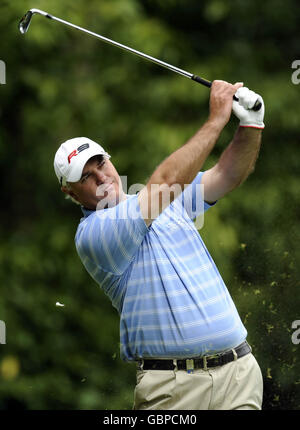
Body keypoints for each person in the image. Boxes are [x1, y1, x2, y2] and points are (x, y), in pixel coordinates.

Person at [54, 80, 265, 410]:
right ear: (70, 192)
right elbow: (165, 183)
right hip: (174, 389)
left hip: (238, 375)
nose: (102, 177)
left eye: (101, 164)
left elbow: (226, 174)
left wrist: (251, 124)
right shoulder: (94, 234)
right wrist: (216, 120)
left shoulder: (168, 201)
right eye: (86, 177)